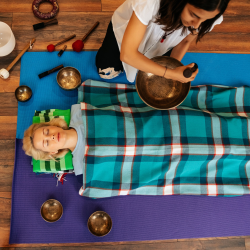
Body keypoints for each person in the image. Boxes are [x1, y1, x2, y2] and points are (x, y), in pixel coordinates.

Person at [22, 80, 250, 198]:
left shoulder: (83, 110)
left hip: (161, 122)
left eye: (46, 132)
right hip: (159, 155)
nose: (51, 136)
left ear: (51, 124)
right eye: (47, 142)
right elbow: (123, 176)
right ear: (52, 153)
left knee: (208, 124)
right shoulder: (85, 167)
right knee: (210, 156)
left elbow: (125, 106)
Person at [95, 0, 230, 83]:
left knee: (155, 70)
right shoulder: (149, 2)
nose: (196, 25)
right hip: (124, 35)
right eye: (194, 15)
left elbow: (185, 42)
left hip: (163, 43)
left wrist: (171, 69)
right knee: (105, 71)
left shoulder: (208, 16)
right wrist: (169, 73)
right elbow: (127, 54)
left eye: (204, 20)